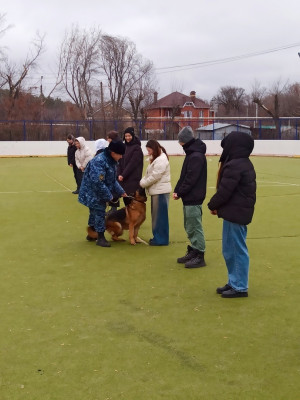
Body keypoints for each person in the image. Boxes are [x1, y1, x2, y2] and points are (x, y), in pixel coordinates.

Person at [207, 132, 256, 298]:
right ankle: (234, 281)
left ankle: (240, 286)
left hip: (237, 213)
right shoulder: (240, 163)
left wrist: (212, 205)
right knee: (230, 250)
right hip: (233, 213)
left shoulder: (236, 165)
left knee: (236, 249)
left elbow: (225, 190)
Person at [78, 140, 126, 247]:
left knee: (94, 212)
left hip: (96, 191)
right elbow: (98, 183)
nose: (121, 157)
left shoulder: (111, 162)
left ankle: (91, 233)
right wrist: (109, 196)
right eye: (120, 154)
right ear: (113, 153)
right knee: (99, 211)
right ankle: (100, 237)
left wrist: (121, 191)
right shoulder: (99, 162)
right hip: (92, 192)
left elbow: (112, 180)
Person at [173, 126, 207, 268]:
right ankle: (194, 249)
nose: (179, 143)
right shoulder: (192, 154)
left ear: (185, 141)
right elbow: (184, 175)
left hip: (194, 197)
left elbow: (191, 178)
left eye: (180, 141)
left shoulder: (196, 156)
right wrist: (177, 190)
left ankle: (200, 255)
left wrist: (180, 191)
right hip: (189, 197)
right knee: (189, 225)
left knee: (195, 225)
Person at [140, 140, 171, 246]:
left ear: (154, 148)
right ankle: (158, 237)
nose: (148, 152)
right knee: (157, 216)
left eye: (149, 150)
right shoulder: (156, 159)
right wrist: (143, 181)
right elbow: (149, 174)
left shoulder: (161, 160)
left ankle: (161, 239)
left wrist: (142, 184)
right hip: (157, 191)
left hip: (160, 192)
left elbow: (154, 176)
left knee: (160, 217)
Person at [117, 127, 144, 206]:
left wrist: (123, 174)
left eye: (129, 136)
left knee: (132, 203)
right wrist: (119, 174)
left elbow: (132, 164)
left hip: (133, 179)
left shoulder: (137, 148)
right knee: (126, 202)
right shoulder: (123, 147)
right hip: (124, 180)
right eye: (126, 136)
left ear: (132, 136)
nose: (127, 138)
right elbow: (119, 161)